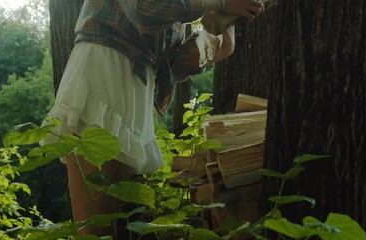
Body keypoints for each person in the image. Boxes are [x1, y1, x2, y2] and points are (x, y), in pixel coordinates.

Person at [43, 0, 263, 238]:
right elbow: (143, 9)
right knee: (96, 229)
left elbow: (170, 65)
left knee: (117, 227)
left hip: (134, 87)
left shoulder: (176, 10)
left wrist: (216, 34)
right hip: (104, 73)